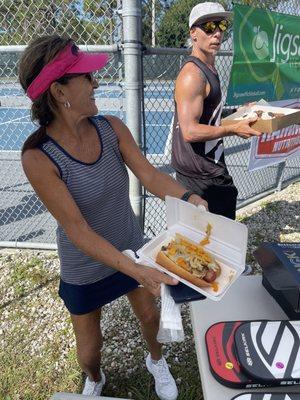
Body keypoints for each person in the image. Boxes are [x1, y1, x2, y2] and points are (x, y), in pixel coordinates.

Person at [19, 35, 208, 400]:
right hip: (85, 264)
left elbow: (151, 176)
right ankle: (95, 377)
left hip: (129, 245)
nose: (96, 83)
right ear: (60, 92)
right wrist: (138, 271)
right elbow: (78, 230)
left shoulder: (112, 127)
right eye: (86, 77)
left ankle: (156, 361)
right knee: (89, 352)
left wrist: (188, 197)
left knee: (151, 319)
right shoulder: (38, 158)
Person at [171, 2, 262, 221]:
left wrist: (239, 111)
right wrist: (234, 129)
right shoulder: (193, 75)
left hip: (209, 170)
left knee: (215, 241)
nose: (218, 33)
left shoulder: (209, 67)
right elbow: (190, 131)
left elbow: (210, 113)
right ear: (194, 33)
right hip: (200, 178)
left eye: (221, 25)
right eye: (209, 27)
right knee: (210, 242)